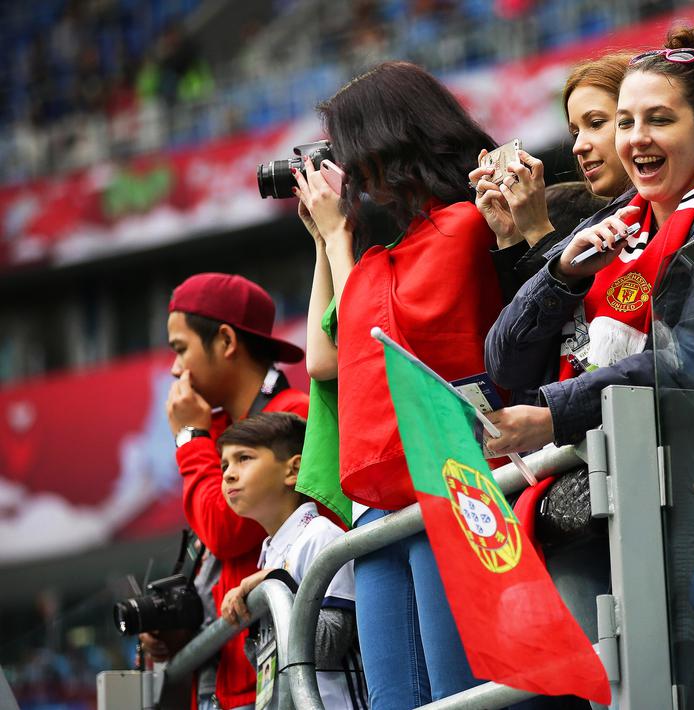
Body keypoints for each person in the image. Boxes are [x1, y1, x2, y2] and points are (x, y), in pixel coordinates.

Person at [485, 26, 694, 710]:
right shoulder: (616, 225)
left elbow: (692, 361)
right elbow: (504, 361)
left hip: (693, 509)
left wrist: (551, 414)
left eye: (659, 120)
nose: (635, 138)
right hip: (587, 509)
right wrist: (559, 272)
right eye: (624, 122)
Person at [291, 61, 503, 707]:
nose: (348, 172)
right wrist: (327, 241)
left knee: (454, 694)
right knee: (394, 700)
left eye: (350, 153)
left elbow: (374, 343)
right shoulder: (393, 250)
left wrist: (339, 238)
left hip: (446, 479)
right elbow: (324, 358)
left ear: (386, 143)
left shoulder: (463, 226)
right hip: (383, 496)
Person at [146, 272, 310, 710]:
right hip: (228, 683)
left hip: (273, 685)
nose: (175, 369)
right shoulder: (217, 430)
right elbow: (222, 559)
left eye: (181, 349)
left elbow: (224, 528)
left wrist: (190, 438)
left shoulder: (293, 417)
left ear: (225, 340)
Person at [216, 413, 364, 710]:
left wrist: (276, 582)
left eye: (244, 458)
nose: (228, 474)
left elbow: (326, 646)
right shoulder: (270, 553)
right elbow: (268, 664)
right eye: (224, 465)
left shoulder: (320, 536)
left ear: (293, 469)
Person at [472, 53, 633, 303]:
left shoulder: (674, 212)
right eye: (575, 132)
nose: (578, 147)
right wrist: (510, 237)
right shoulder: (593, 221)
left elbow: (586, 321)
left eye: (596, 123)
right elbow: (525, 325)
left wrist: (538, 230)